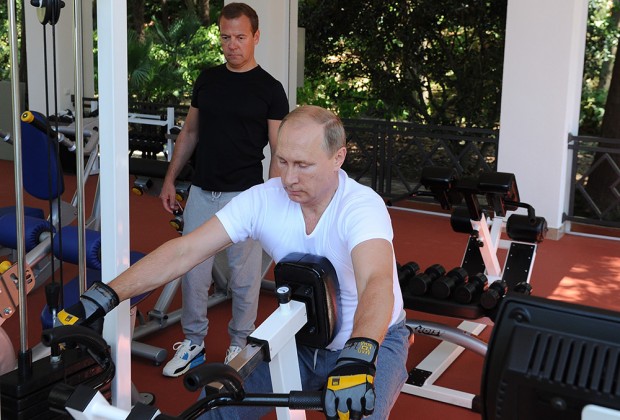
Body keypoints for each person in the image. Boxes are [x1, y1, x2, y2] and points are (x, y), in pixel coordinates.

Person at [58, 105, 410, 419]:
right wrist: (105, 295)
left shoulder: (360, 206)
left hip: (373, 341)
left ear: (338, 157)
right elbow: (185, 251)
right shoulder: (264, 200)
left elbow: (376, 282)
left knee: (360, 412)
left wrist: (359, 354)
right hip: (300, 339)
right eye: (283, 161)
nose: (288, 178)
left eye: (303, 165)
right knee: (216, 408)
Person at [158, 2, 289, 376]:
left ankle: (239, 343)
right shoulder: (208, 79)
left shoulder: (270, 89)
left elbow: (278, 149)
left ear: (256, 37)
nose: (232, 45)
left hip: (245, 195)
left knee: (244, 279)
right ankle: (194, 343)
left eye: (240, 37)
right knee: (193, 271)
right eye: (226, 37)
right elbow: (190, 132)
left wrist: (271, 195)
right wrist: (170, 179)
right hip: (202, 191)